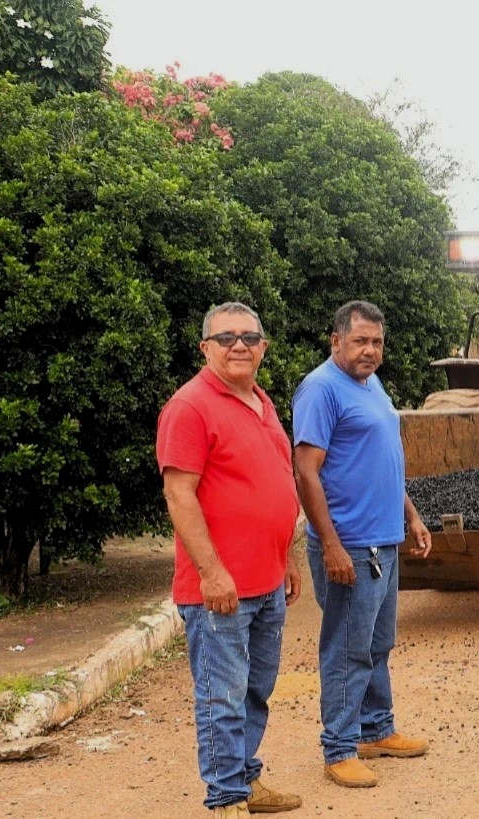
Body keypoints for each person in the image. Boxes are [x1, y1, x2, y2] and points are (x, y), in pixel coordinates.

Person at [156, 302, 303, 816]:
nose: (238, 345)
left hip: (266, 582)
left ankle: (245, 779)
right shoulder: (190, 407)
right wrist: (212, 572)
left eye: (248, 336)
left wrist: (285, 557)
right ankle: (224, 800)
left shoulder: (260, 402)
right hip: (220, 591)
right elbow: (180, 496)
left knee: (255, 691)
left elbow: (276, 486)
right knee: (222, 696)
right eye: (225, 338)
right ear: (205, 348)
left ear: (263, 347)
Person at [292, 300, 433, 789]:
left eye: (376, 342)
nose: (369, 350)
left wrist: (411, 516)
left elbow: (382, 460)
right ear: (336, 341)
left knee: (377, 643)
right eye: (359, 341)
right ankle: (339, 747)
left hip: (384, 540)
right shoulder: (320, 389)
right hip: (350, 544)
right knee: (347, 648)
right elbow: (305, 471)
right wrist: (330, 545)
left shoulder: (371, 385)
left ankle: (375, 728)